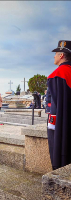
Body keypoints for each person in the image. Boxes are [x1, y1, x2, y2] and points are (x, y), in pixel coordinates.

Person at [47, 40, 71, 170]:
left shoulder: (57, 75)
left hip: (61, 130)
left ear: (61, 55)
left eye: (56, 54)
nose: (54, 56)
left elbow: (55, 108)